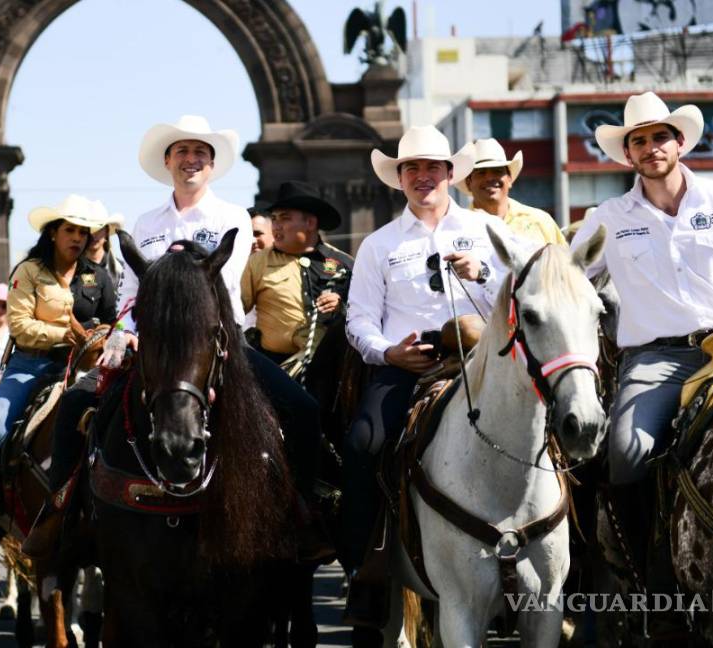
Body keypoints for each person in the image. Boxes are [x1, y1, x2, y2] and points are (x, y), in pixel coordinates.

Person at [20, 116, 329, 562]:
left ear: (212, 163)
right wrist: (121, 335)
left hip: (217, 346)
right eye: (182, 152)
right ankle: (60, 513)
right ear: (167, 161)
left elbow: (216, 291)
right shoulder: (146, 222)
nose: (191, 160)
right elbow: (129, 292)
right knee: (73, 403)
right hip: (151, 349)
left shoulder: (232, 219)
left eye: (200, 152)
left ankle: (302, 512)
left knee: (302, 409)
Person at [571, 92, 713, 625]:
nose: (651, 146)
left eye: (660, 136)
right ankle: (653, 582)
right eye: (639, 140)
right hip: (657, 359)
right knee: (627, 450)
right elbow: (562, 280)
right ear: (628, 154)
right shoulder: (608, 217)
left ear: (680, 142)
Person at [342, 125, 514, 633]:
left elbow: (524, 285)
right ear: (399, 178)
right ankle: (364, 567)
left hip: (479, 364)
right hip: (407, 368)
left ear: (449, 174)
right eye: (411, 168)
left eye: (431, 167)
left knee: (548, 436)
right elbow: (358, 320)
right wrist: (388, 353)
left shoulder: (485, 231)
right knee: (362, 442)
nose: (422, 176)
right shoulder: (378, 244)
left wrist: (483, 274)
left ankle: (549, 569)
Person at [0, 195, 117, 508]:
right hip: (31, 366)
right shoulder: (27, 271)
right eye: (71, 230)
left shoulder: (99, 276)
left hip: (87, 370)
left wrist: (107, 337)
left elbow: (113, 322)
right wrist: (70, 336)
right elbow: (20, 326)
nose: (78, 238)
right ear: (53, 232)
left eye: (83, 232)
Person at [242, 181, 354, 364]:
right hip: (276, 369)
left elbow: (368, 314)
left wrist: (342, 307)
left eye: (284, 218)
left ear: (310, 223)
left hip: (334, 369)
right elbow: (235, 311)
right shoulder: (257, 263)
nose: (276, 225)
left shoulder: (344, 263)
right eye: (275, 218)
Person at [457, 138, 566, 246]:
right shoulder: (458, 227)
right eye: (481, 172)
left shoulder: (540, 221)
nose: (489, 178)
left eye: (497, 171)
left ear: (509, 179)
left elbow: (564, 262)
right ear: (468, 183)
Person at [84, 210, 124, 285]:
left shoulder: (121, 269)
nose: (93, 235)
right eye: (90, 230)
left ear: (107, 231)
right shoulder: (73, 269)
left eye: (98, 229)